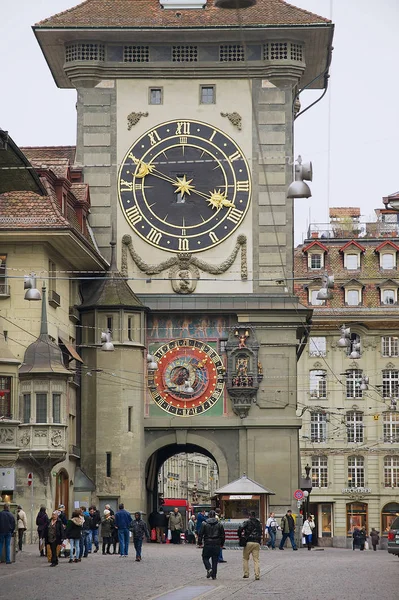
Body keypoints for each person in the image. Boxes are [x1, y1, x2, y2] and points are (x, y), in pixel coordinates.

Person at [198, 510, 225, 581]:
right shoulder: (219, 524)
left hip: (207, 543)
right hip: (216, 543)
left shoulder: (204, 523)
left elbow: (200, 534)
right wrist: (222, 544)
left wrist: (200, 542)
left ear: (209, 515)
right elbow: (222, 535)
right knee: (215, 559)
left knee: (205, 557)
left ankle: (209, 568)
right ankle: (214, 575)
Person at [238, 511, 262, 581]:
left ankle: (246, 573)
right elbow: (260, 532)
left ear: (249, 516)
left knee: (245, 558)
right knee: (256, 560)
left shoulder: (247, 522)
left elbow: (240, 528)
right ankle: (257, 575)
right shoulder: (258, 523)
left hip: (248, 541)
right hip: (257, 542)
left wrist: (241, 536)